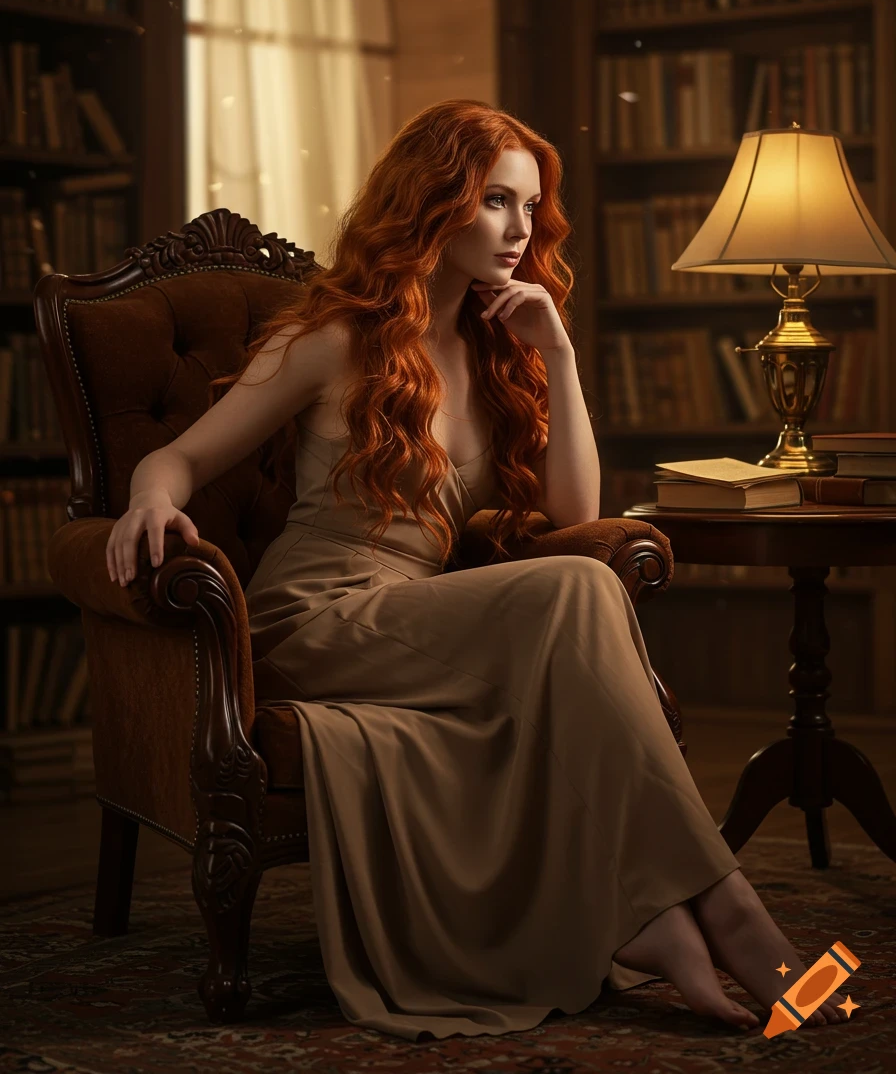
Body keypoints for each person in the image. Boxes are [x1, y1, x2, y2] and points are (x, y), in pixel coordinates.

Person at [105, 99, 850, 1042]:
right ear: (435, 201)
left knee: (583, 581)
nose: (518, 229)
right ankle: (735, 918)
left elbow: (579, 515)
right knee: (579, 589)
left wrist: (560, 354)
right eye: (495, 200)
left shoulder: (500, 355)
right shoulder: (334, 337)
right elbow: (181, 458)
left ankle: (660, 924)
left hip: (419, 620)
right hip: (310, 621)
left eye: (530, 208)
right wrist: (147, 500)